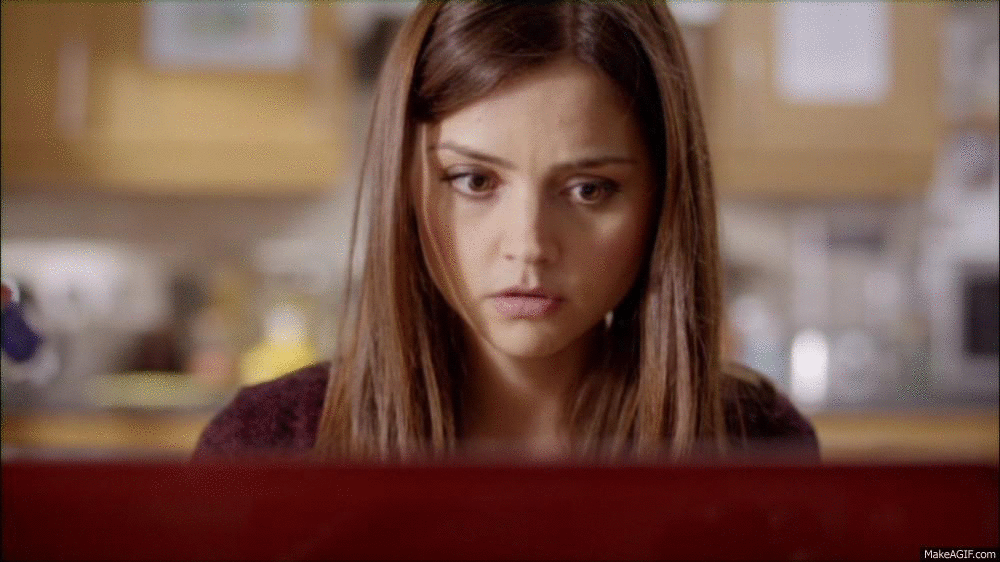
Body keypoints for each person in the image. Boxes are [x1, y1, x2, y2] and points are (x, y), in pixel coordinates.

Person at [194, 1, 819, 463]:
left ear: (662, 199)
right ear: (406, 184)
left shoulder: (757, 444)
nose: (529, 246)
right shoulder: (266, 446)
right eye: (474, 181)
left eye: (589, 189)